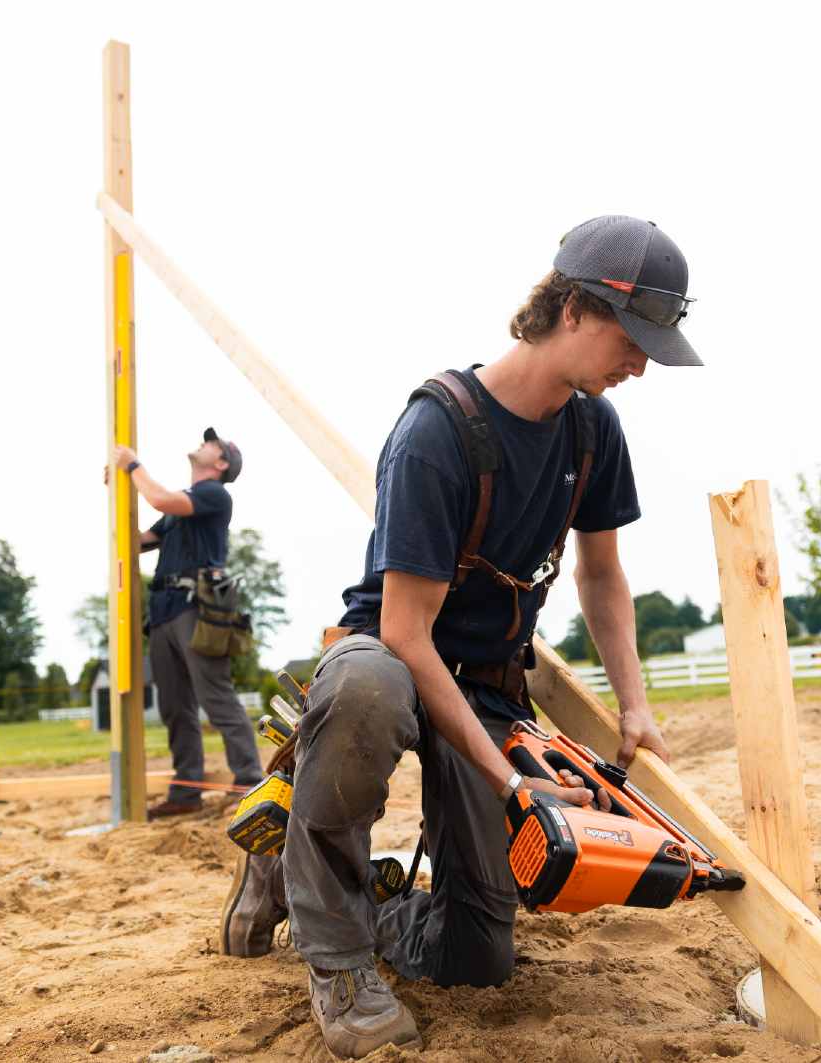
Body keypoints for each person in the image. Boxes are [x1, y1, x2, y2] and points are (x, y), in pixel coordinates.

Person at [220, 216, 700, 1059]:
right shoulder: (436, 433)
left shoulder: (592, 430)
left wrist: (633, 704)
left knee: (476, 958)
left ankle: (340, 892)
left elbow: (599, 575)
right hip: (391, 658)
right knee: (366, 688)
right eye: (635, 339)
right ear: (577, 309)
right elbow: (407, 633)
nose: (643, 364)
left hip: (485, 681)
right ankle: (334, 953)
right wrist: (512, 776)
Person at [111, 428, 263, 819]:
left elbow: (160, 497)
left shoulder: (214, 494)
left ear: (221, 463)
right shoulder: (179, 510)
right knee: (175, 706)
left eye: (210, 443)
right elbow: (138, 541)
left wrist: (132, 466)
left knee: (215, 697)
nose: (202, 442)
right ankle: (185, 792)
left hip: (197, 608)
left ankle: (249, 782)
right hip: (163, 610)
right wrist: (117, 494)